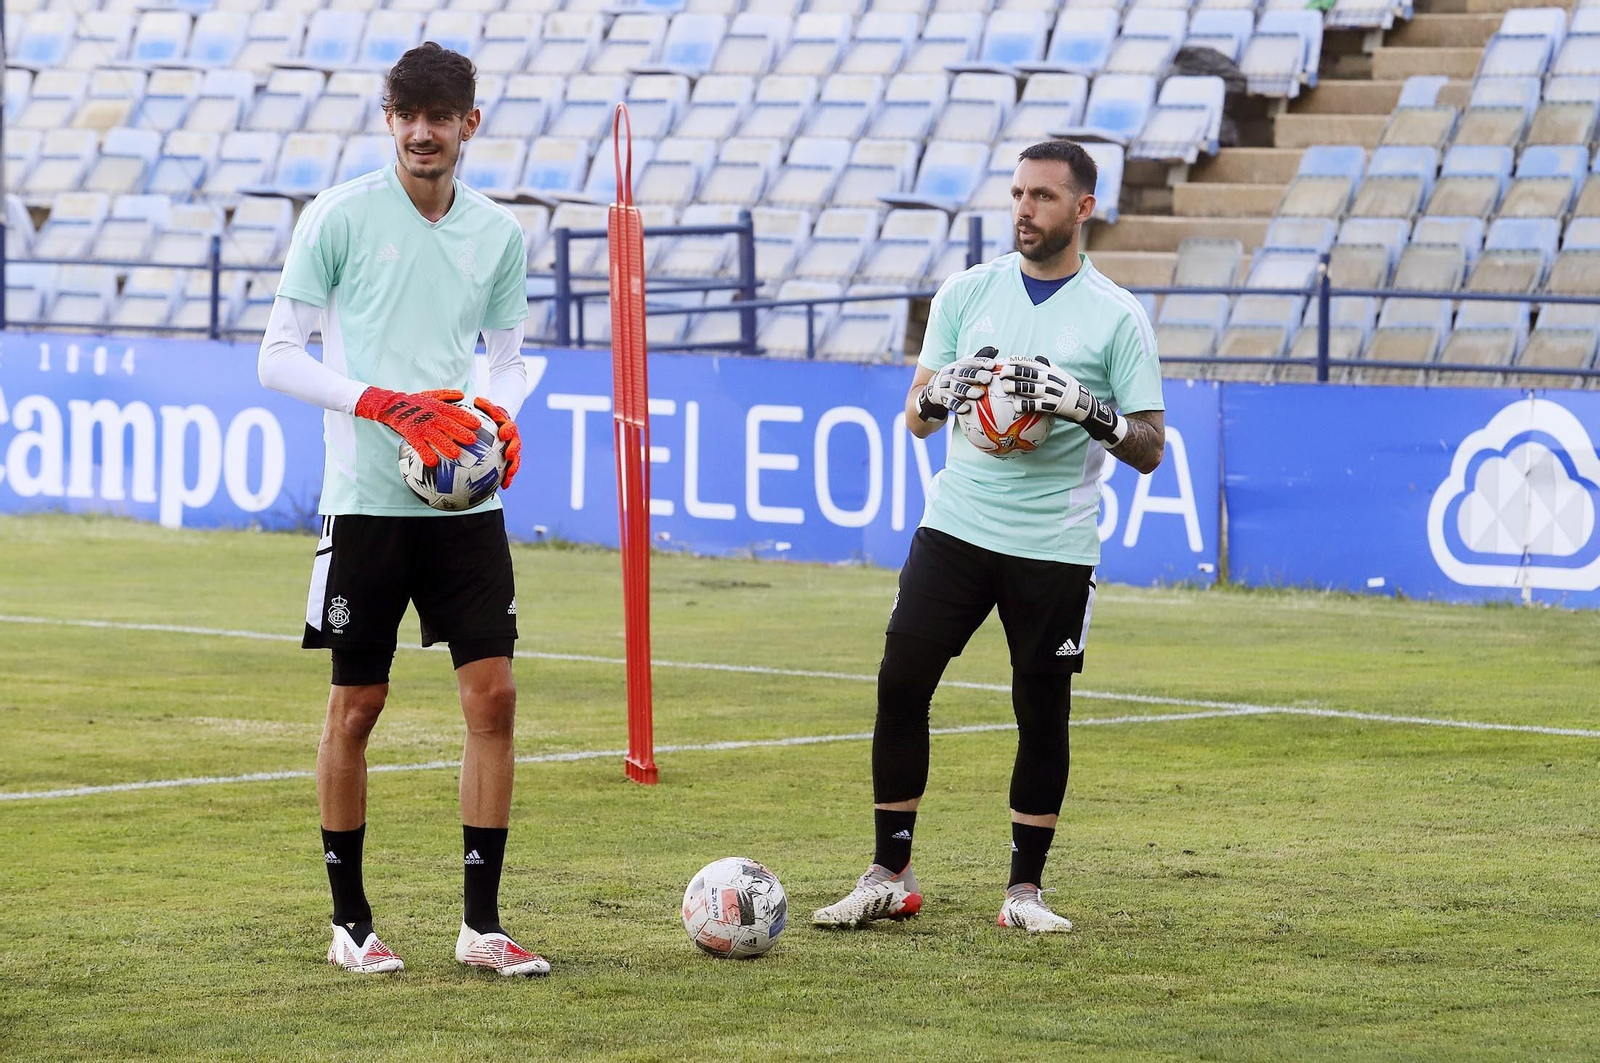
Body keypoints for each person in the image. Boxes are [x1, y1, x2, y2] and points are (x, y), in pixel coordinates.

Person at [812, 140, 1166, 934]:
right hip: (958, 525)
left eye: (1042, 196)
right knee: (901, 679)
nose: (1022, 211)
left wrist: (1089, 409)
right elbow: (914, 419)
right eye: (1016, 194)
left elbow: (1150, 447)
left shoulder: (1115, 314)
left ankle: (1023, 892)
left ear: (1083, 209)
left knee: (1042, 710)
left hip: (1056, 543)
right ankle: (888, 872)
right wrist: (939, 391)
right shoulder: (967, 293)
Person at [257, 42, 546, 976]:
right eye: (405, 113)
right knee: (358, 705)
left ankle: (481, 924)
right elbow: (278, 354)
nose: (422, 131)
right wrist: (382, 402)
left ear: (470, 122)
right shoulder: (338, 216)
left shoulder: (498, 233)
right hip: (368, 502)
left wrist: (499, 413)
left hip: (465, 505)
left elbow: (506, 359)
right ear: (388, 119)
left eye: (441, 114)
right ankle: (351, 924)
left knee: (493, 698)